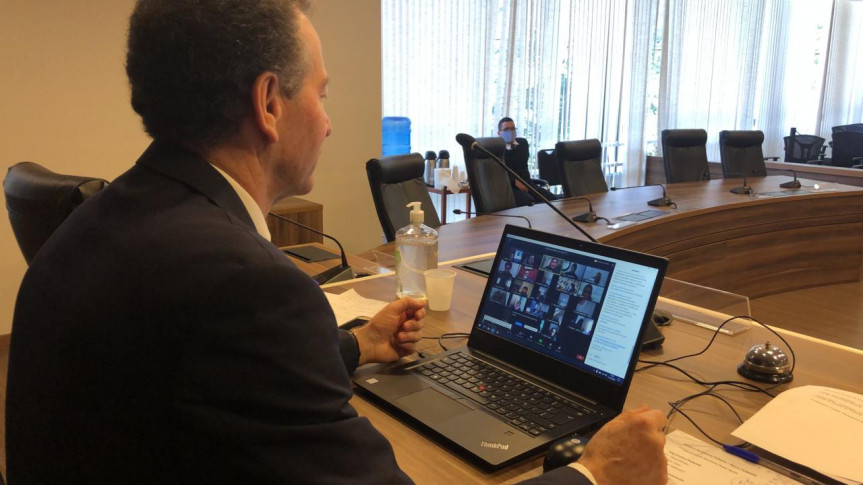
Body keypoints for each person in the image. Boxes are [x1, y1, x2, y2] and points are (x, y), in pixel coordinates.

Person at [5, 1, 667, 484]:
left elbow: (201, 372)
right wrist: (594, 473)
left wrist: (356, 345)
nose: (326, 123)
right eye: (320, 95)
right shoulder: (245, 285)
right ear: (269, 104)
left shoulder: (100, 220)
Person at [498, 117, 560, 207]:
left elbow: (522, 169)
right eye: (506, 129)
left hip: (528, 184)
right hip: (510, 186)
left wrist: (525, 184)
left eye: (513, 129)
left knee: (554, 200)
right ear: (499, 133)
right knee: (528, 201)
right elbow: (498, 172)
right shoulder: (497, 149)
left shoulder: (522, 144)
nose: (510, 132)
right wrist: (514, 181)